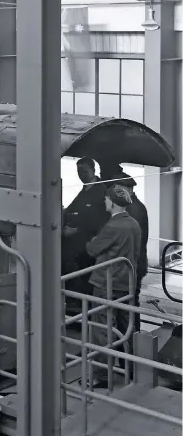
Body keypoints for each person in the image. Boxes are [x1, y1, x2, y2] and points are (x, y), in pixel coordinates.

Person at [81, 184, 141, 388]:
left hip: (106, 283)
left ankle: (102, 376)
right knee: (127, 327)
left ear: (113, 203)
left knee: (102, 330)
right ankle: (131, 368)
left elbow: (92, 249)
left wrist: (92, 240)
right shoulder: (133, 224)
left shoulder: (112, 226)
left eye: (106, 199)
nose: (105, 202)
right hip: (127, 284)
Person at [113, 172, 149, 332]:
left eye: (119, 190)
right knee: (130, 302)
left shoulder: (133, 210)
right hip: (135, 264)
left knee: (129, 304)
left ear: (129, 190)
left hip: (131, 265)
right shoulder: (136, 207)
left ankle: (130, 339)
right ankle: (132, 337)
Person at [62, 157, 109, 276]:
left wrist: (77, 230)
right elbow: (72, 210)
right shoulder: (84, 190)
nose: (81, 175)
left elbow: (101, 220)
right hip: (76, 247)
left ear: (93, 170)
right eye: (79, 172)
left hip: (88, 248)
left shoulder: (102, 192)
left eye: (84, 171)